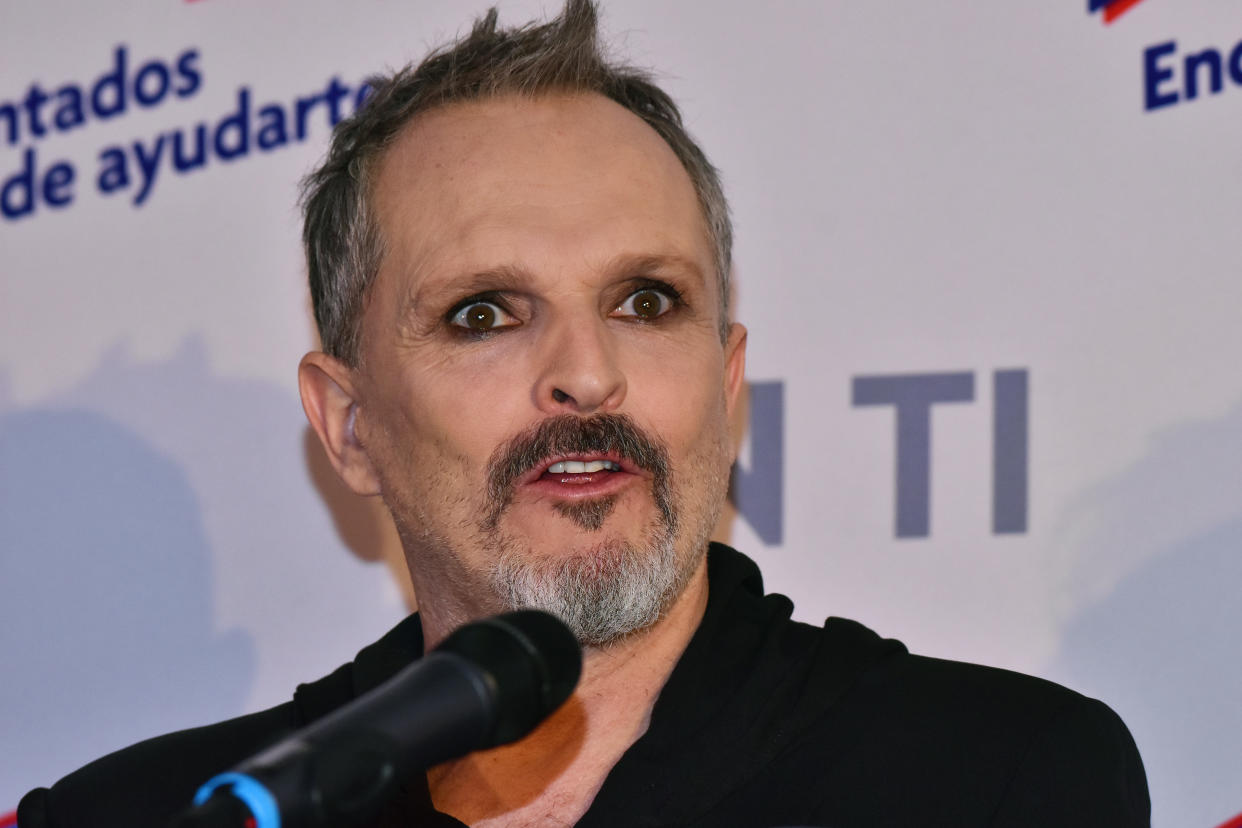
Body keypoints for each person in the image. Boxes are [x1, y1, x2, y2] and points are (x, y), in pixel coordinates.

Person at [17, 1, 1150, 826]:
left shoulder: (996, 782)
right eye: (483, 314)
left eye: (646, 301)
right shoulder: (157, 818)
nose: (587, 375)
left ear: (725, 376)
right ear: (349, 426)